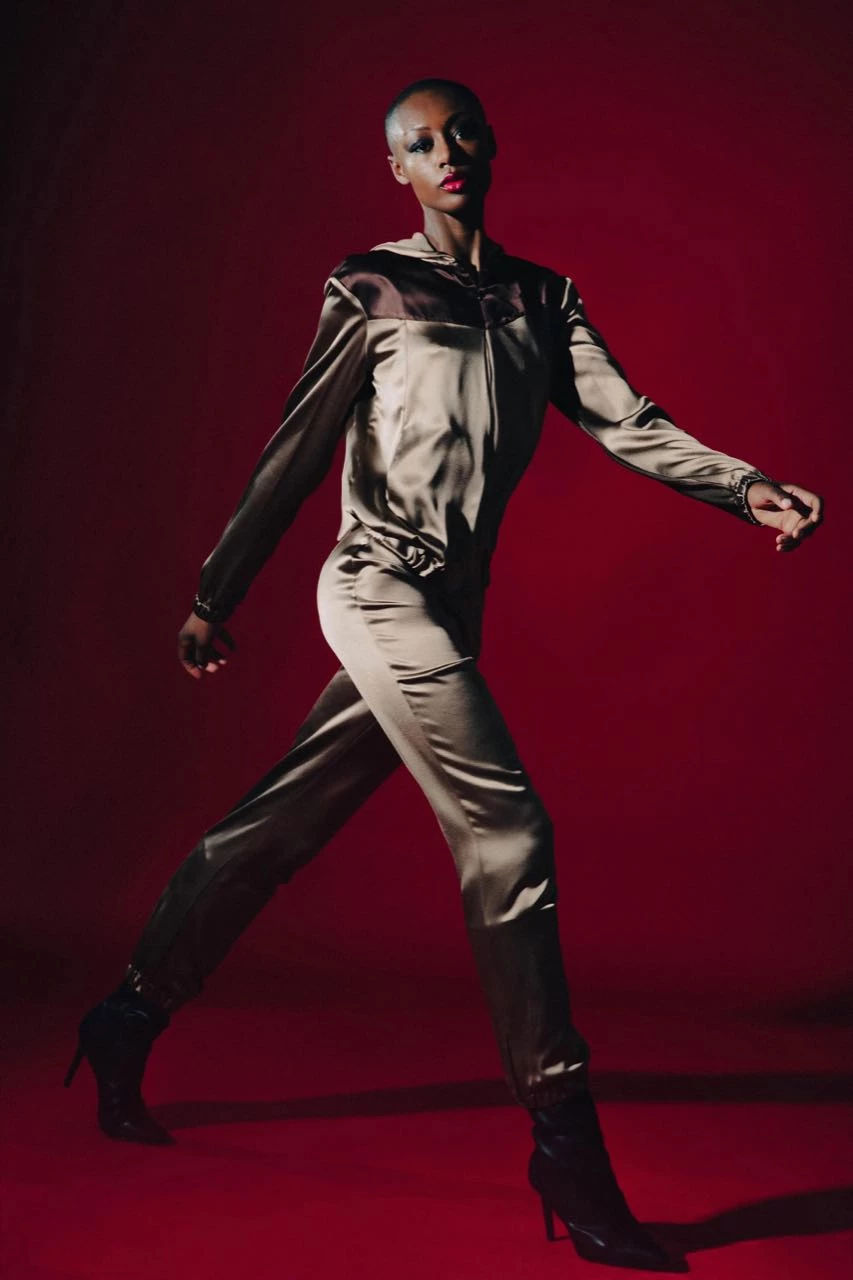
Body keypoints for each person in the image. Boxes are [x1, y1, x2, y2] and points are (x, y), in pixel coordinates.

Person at [65, 77, 822, 1272]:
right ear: (398, 171)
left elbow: (627, 419)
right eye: (419, 142)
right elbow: (295, 449)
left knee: (278, 824)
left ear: (489, 143)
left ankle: (126, 1012)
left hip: (449, 612)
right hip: (374, 586)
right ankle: (565, 1140)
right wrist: (217, 590)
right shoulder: (370, 287)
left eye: (460, 130)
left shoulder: (543, 296)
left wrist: (746, 486)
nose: (446, 150)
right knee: (508, 829)